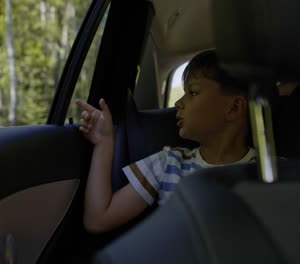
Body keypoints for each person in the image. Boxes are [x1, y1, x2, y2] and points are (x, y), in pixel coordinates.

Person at [75, 50, 256, 233]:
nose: (178, 102)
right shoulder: (169, 163)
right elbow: (98, 219)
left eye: (193, 92)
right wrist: (104, 142)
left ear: (234, 108)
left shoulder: (271, 175)